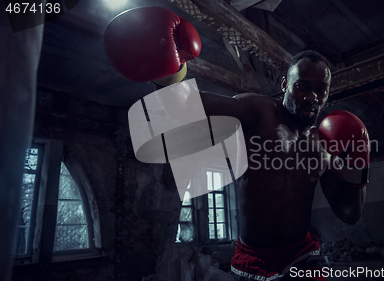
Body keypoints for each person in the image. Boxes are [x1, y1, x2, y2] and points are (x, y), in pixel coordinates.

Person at [104, 7, 368, 281]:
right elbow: (182, 108)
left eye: (320, 90)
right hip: (252, 258)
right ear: (284, 84)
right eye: (302, 86)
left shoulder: (324, 142)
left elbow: (350, 213)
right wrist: (170, 69)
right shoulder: (260, 111)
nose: (311, 97)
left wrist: (358, 160)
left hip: (302, 256)